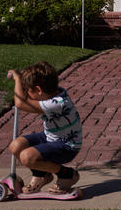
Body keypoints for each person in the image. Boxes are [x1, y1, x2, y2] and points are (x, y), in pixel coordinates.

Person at [7, 61, 82, 194]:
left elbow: (19, 103)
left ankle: (67, 174)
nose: (27, 94)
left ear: (39, 90)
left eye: (28, 90)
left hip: (67, 146)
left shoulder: (57, 104)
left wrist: (18, 79)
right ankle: (41, 175)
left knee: (27, 157)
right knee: (16, 145)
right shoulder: (55, 92)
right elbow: (24, 100)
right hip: (50, 136)